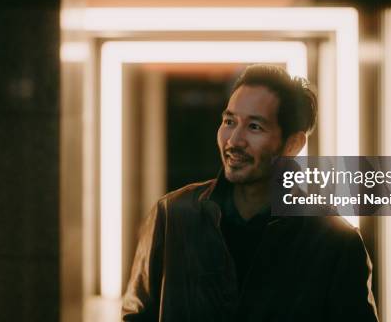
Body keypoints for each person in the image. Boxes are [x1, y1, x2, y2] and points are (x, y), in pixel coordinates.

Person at [122, 65, 378, 321]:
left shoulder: (336, 243)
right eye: (229, 121)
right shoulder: (172, 216)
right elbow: (136, 316)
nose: (234, 140)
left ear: (293, 144)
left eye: (254, 127)